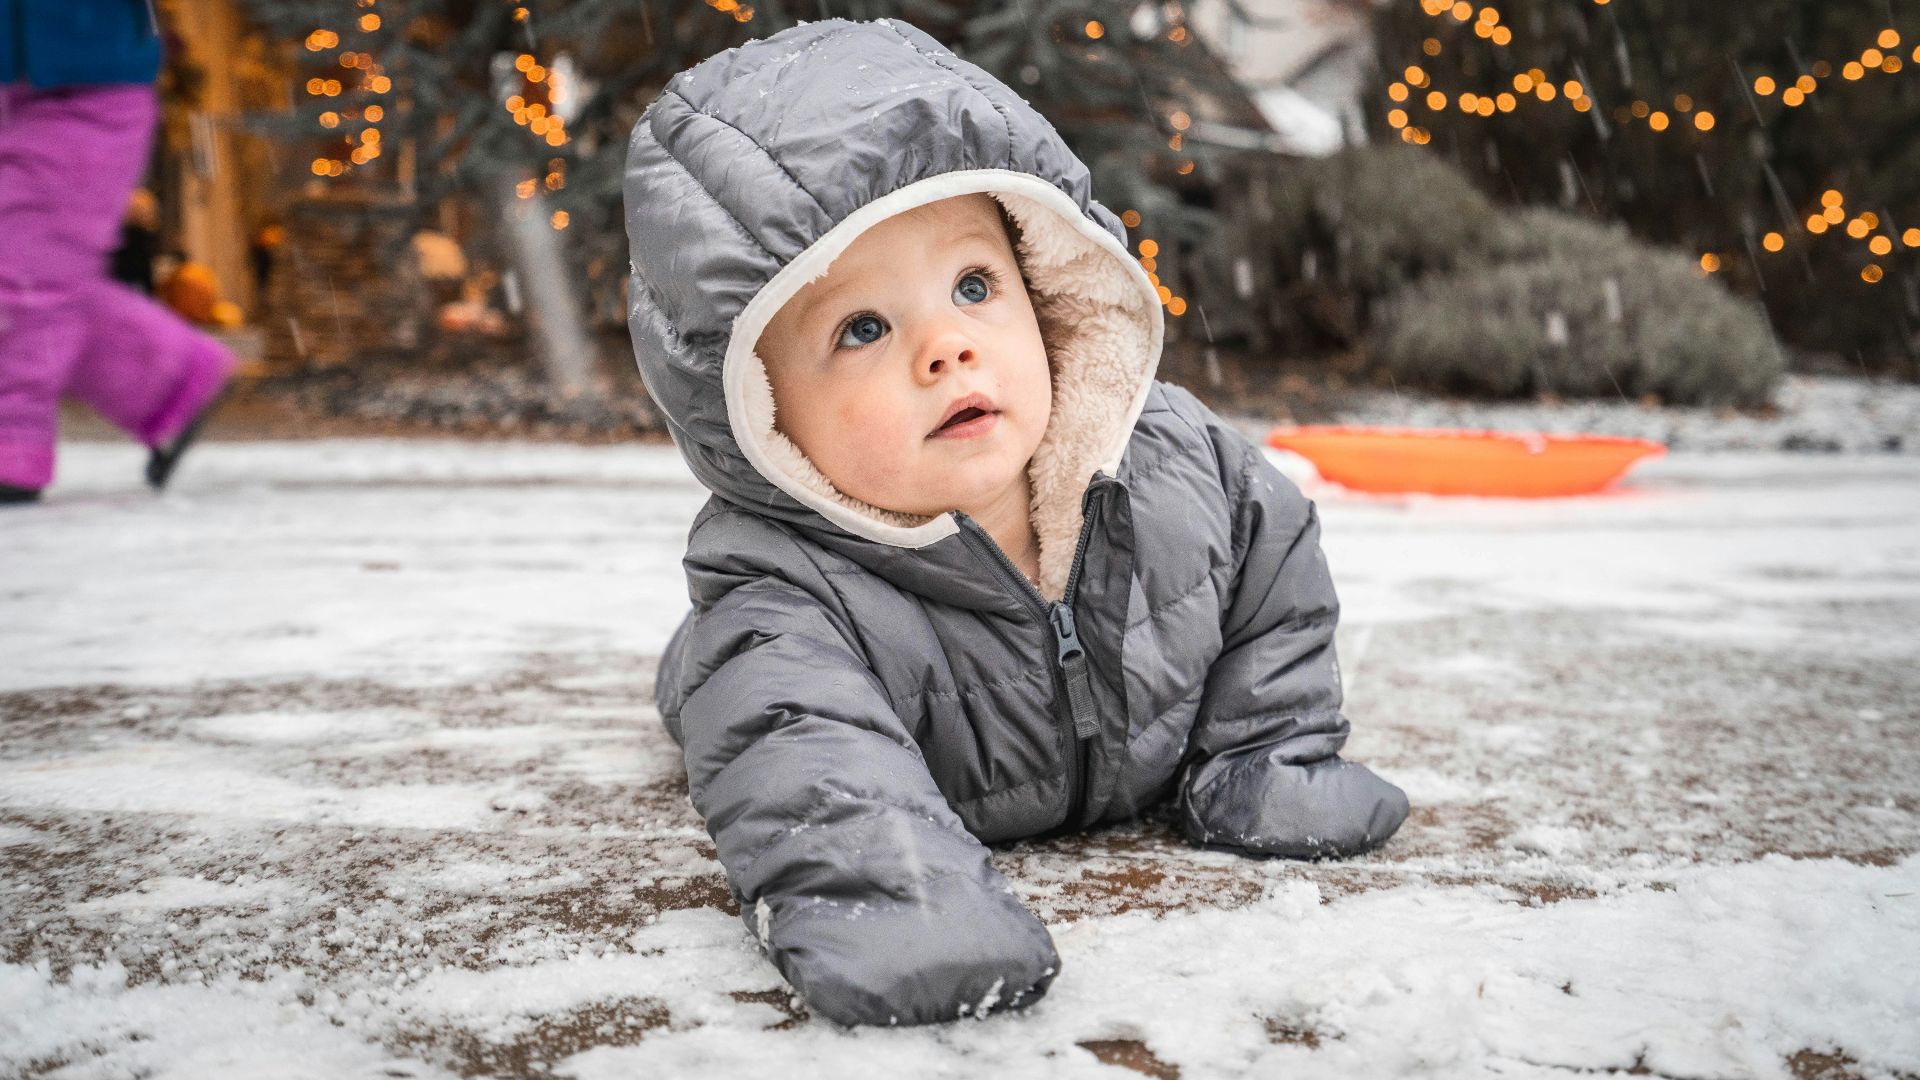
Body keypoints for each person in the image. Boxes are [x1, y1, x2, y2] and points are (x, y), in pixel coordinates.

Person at [625, 18, 1410, 1027]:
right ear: (763, 411)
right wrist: (902, 904)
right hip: (793, 668)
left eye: (974, 285)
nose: (947, 347)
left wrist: (1268, 751)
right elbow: (813, 764)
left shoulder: (1183, 471)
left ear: (1047, 289)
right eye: (862, 328)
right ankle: (693, 670)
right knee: (736, 677)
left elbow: (1275, 572)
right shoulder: (788, 595)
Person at [0, 0, 235, 504]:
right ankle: (167, 377)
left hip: (86, 89)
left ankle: (12, 449)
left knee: (24, 276)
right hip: (21, 79)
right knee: (38, 272)